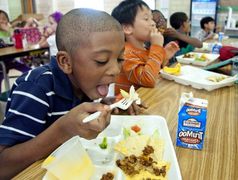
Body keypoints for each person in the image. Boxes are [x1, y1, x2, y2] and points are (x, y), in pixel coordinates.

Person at [0, 8, 140, 179]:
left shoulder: (82, 83)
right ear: (66, 62)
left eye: (119, 59)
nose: (115, 70)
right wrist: (62, 130)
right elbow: (3, 166)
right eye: (101, 60)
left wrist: (109, 105)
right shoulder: (35, 89)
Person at [111, 0, 179, 95]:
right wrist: (157, 47)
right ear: (127, 28)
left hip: (147, 98)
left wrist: (164, 56)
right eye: (146, 19)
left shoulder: (144, 49)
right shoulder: (126, 54)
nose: (153, 23)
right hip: (129, 107)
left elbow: (154, 71)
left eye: (152, 18)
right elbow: (148, 79)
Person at [0, 10, 31, 92]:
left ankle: (28, 90)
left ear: (7, 20)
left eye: (3, 18)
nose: (1, 21)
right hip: (0, 63)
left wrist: (9, 30)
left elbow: (17, 42)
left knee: (29, 71)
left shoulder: (10, 30)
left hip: (11, 60)